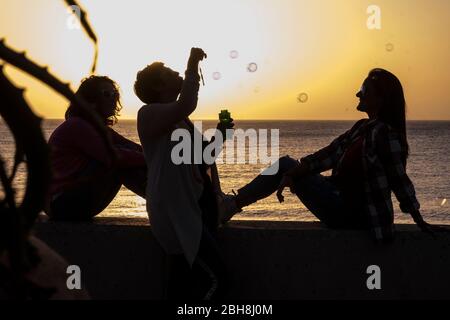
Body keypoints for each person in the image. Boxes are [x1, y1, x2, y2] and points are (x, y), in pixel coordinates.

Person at [220, 68, 448, 242]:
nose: (358, 94)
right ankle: (230, 205)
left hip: (355, 215)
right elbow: (327, 156)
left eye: (364, 90)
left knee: (283, 165)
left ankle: (230, 206)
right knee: (285, 164)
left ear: (380, 98)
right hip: (338, 201)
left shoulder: (387, 135)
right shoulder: (362, 128)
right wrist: (293, 172)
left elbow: (399, 181)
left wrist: (420, 221)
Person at [135, 48, 232, 300]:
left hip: (190, 210)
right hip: (173, 212)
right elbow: (187, 102)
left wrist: (221, 134)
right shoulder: (148, 114)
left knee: (180, 284)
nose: (177, 72)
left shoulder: (181, 122)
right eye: (170, 72)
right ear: (158, 86)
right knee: (220, 279)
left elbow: (205, 158)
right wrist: (192, 62)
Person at [46, 76, 147, 221]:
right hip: (61, 203)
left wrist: (157, 156)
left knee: (124, 154)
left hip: (73, 201)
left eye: (115, 94)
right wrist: (150, 158)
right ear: (90, 101)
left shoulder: (98, 128)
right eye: (107, 94)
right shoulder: (78, 125)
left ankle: (162, 199)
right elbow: (113, 157)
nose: (113, 98)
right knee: (116, 161)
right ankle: (162, 201)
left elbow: (132, 147)